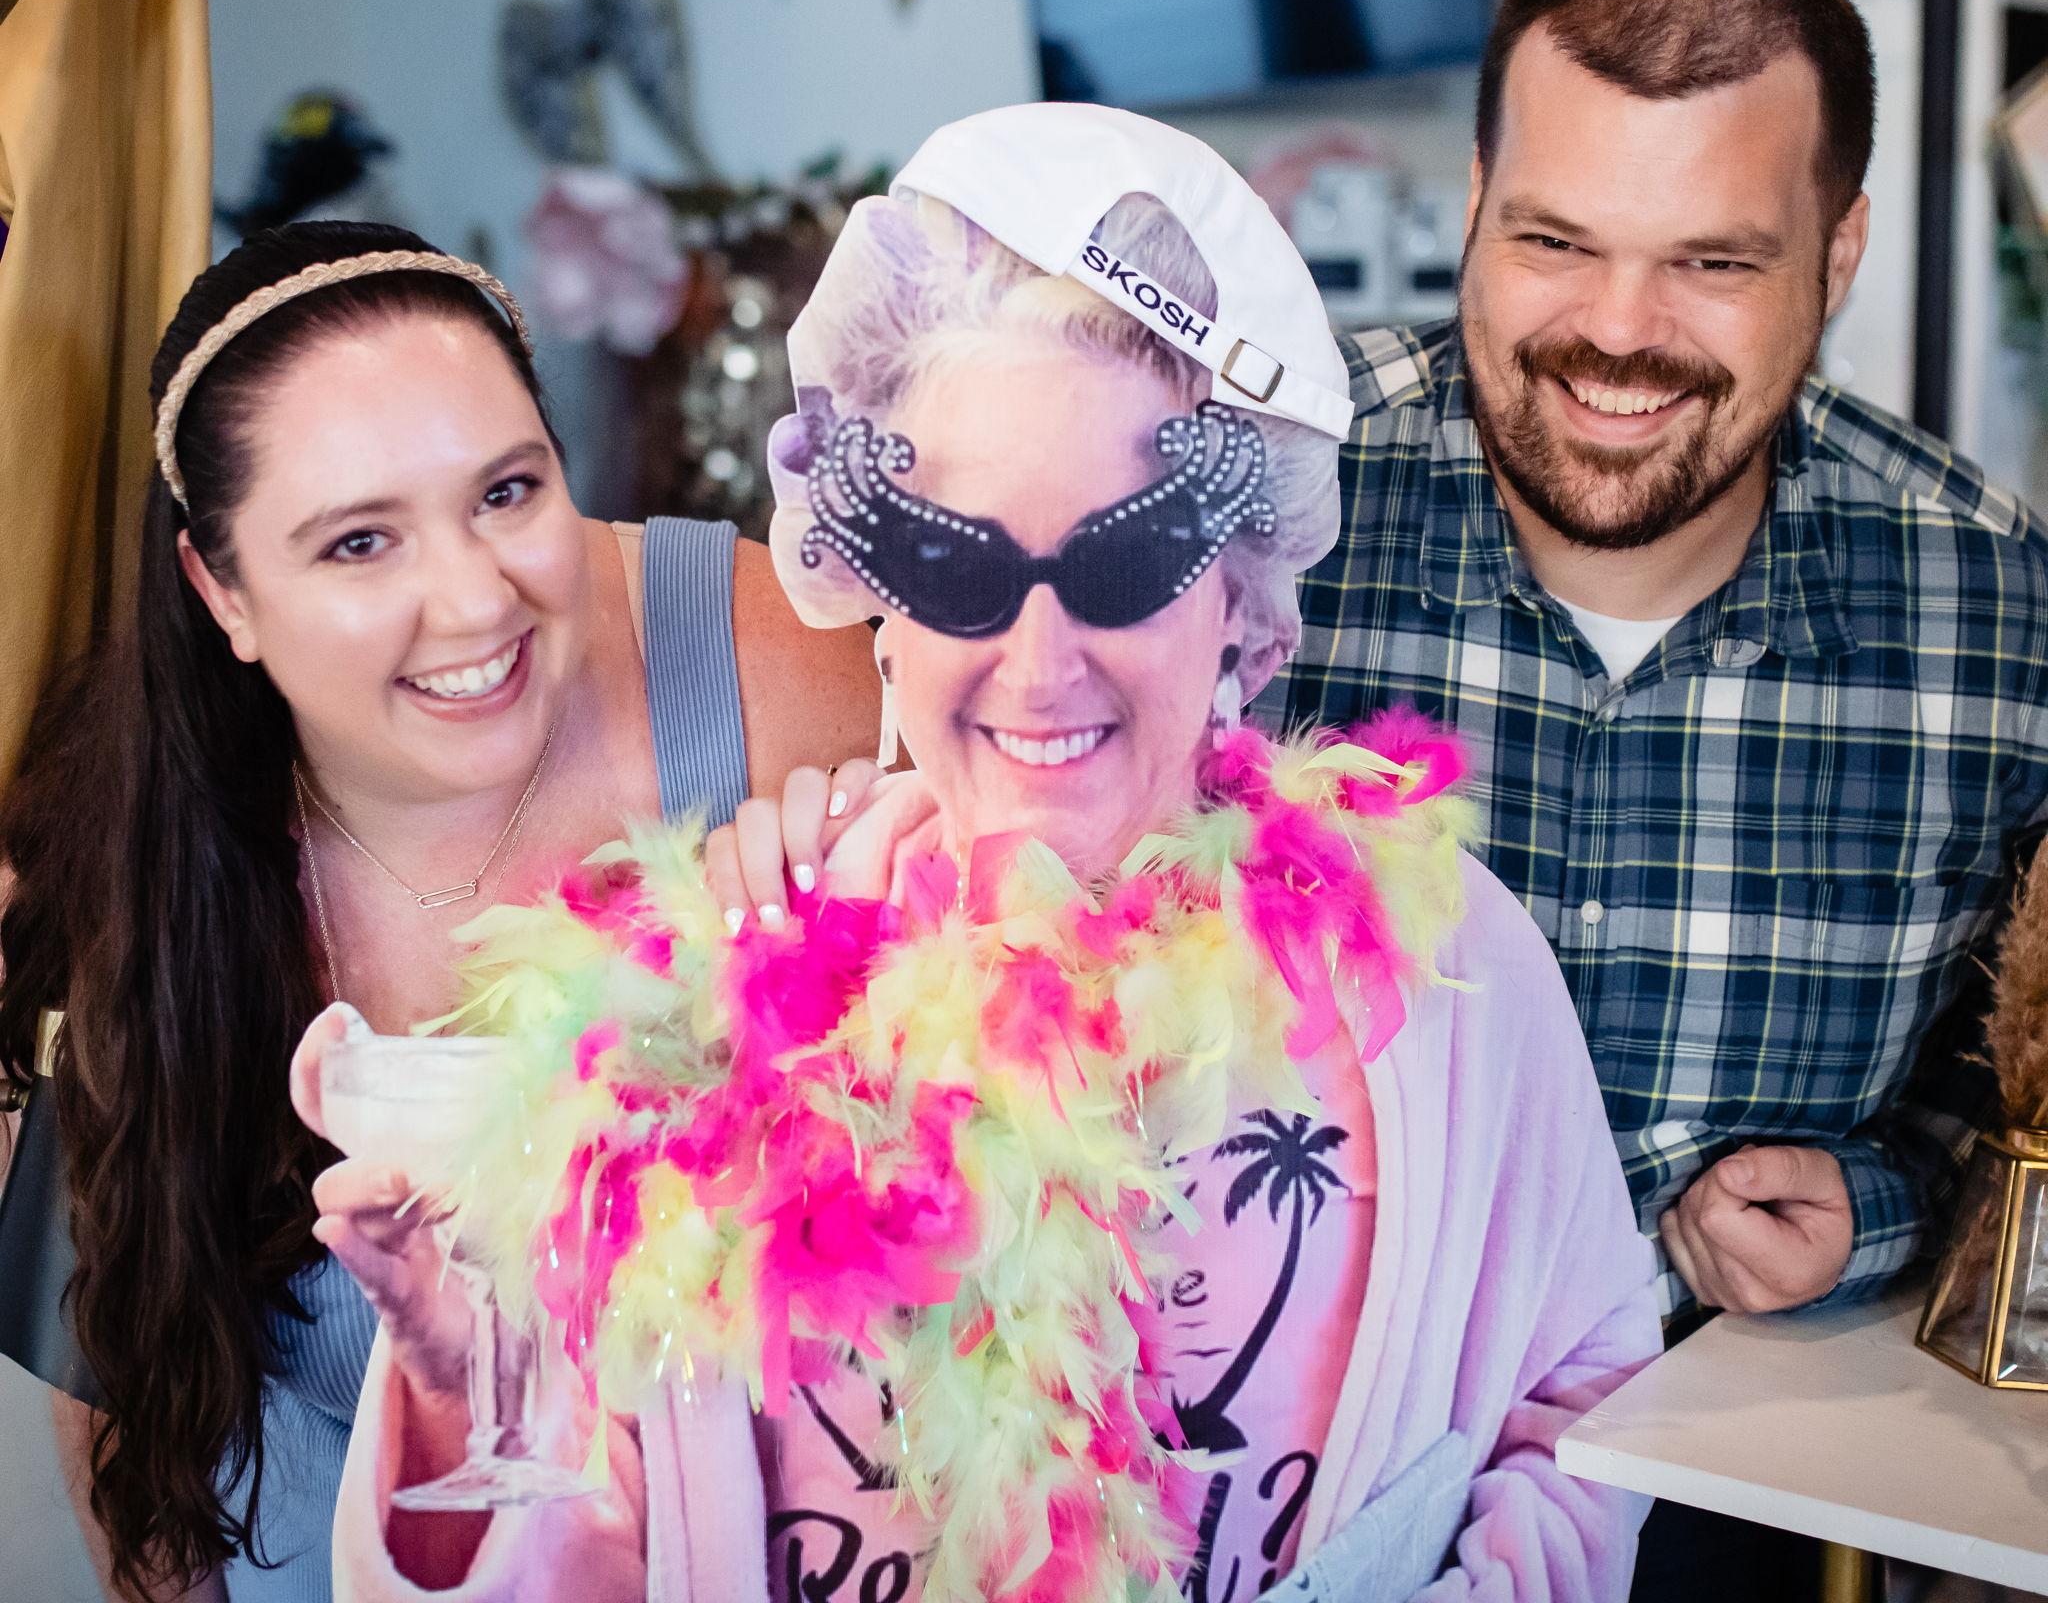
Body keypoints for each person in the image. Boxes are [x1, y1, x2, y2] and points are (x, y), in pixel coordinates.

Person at [303, 105, 1660, 1603]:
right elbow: (581, 1552)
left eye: (1126, 560)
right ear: (877, 603)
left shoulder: (1438, 966)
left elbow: (1583, 1401)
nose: (1038, 662)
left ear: (1245, 599)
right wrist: (458, 1391)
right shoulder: (709, 1012)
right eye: (956, 566)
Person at [1260, 0, 2048, 1595]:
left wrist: (1881, 1202)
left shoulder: (1999, 612)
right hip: (1256, 1463)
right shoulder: (1251, 505)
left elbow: (2007, 1095)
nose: (1616, 331)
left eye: (1713, 262)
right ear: (1476, 201)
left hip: (1725, 1506)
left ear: (1837, 255)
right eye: (1555, 239)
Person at [0, 222, 878, 1603]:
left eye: (507, 491)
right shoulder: (139, 859)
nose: (474, 602)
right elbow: (134, 1444)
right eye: (360, 542)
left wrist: (858, 918)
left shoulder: (783, 667)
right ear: (223, 593)